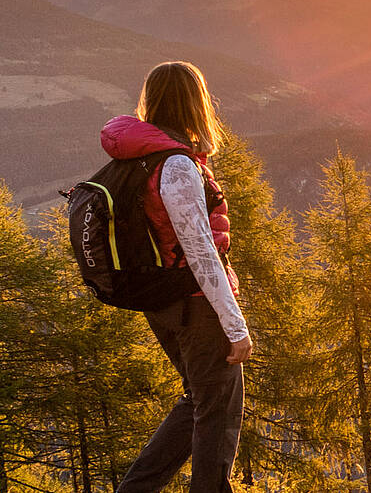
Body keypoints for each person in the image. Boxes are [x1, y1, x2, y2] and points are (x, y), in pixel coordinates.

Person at [109, 61, 252, 493]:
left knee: (198, 403)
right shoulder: (176, 165)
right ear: (196, 102)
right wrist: (235, 325)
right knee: (219, 412)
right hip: (195, 304)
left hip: (165, 304)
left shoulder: (140, 159)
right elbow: (201, 251)